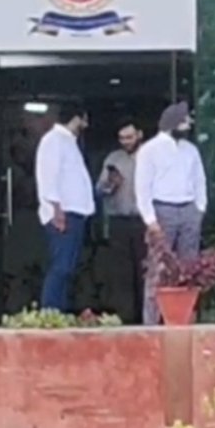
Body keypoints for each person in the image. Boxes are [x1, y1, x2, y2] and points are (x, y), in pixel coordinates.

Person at [135, 101, 207, 324]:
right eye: (184, 121)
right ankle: (151, 323)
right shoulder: (149, 150)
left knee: (189, 268)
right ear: (173, 123)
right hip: (162, 210)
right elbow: (142, 187)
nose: (188, 125)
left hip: (188, 209)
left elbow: (199, 181)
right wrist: (150, 220)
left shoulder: (190, 150)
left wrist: (199, 209)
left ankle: (186, 320)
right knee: (158, 269)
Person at [35, 103, 95, 312]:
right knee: (61, 266)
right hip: (64, 213)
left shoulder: (69, 142)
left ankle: (60, 311)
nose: (85, 125)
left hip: (75, 213)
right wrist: (57, 211)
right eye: (84, 120)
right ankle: (50, 311)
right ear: (76, 118)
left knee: (69, 267)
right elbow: (48, 178)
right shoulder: (53, 140)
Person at [95, 118, 144, 323]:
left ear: (139, 135)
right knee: (121, 272)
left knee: (145, 269)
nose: (126, 142)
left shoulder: (151, 156)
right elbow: (99, 190)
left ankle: (146, 317)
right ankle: (125, 316)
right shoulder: (113, 158)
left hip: (144, 221)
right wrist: (110, 184)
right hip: (119, 221)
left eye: (129, 137)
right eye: (122, 138)